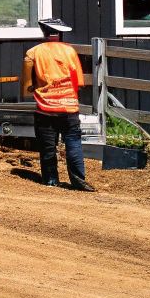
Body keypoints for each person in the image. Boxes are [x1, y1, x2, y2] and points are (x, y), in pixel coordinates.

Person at [21, 17, 95, 191]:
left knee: (47, 146)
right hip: (69, 107)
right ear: (60, 33)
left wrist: (37, 88)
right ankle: (78, 181)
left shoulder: (33, 53)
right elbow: (79, 82)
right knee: (73, 143)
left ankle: (51, 180)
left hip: (45, 108)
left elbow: (27, 87)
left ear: (44, 32)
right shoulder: (70, 52)